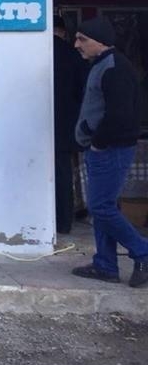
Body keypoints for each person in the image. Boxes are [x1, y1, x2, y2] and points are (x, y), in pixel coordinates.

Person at [72, 16, 148, 288]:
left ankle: (142, 251)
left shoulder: (114, 68)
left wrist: (99, 141)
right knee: (103, 206)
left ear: (100, 42)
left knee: (101, 207)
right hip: (103, 149)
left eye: (83, 39)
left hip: (110, 150)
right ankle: (105, 265)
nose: (77, 44)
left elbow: (120, 114)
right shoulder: (101, 64)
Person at [52, 15, 87, 234]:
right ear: (63, 32)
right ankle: (63, 222)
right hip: (65, 124)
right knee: (63, 174)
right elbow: (84, 92)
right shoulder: (73, 56)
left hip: (32, 123)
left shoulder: (30, 50)